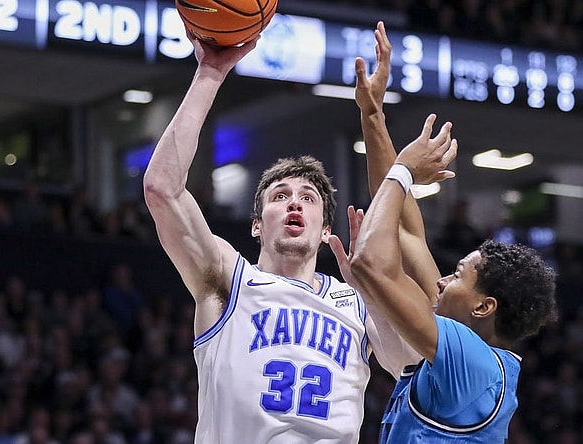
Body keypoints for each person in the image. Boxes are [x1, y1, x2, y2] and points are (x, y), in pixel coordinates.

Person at [143, 28, 416, 443]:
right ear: (257, 224)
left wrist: (374, 288)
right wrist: (210, 74)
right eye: (280, 196)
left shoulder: (355, 302)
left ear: (326, 230)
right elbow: (162, 190)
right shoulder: (227, 280)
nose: (294, 203)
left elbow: (409, 369)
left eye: (308, 198)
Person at [338, 22, 559, 442]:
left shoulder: (470, 361)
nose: (440, 279)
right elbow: (406, 229)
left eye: (458, 276)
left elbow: (370, 263)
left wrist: (405, 171)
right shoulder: (469, 354)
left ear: (482, 307)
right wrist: (372, 115)